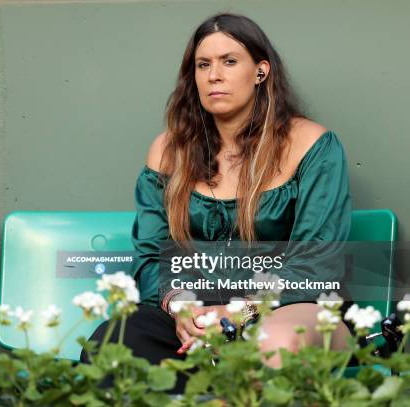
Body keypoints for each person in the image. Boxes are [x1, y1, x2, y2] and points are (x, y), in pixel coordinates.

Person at [80, 12, 355, 391]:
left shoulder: (311, 144)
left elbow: (317, 261)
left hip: (287, 305)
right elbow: (150, 257)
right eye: (203, 64)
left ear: (260, 71)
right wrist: (183, 307)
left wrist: (240, 310)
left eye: (229, 61)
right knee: (112, 343)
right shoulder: (168, 150)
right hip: (195, 312)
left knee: (272, 345)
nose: (214, 75)